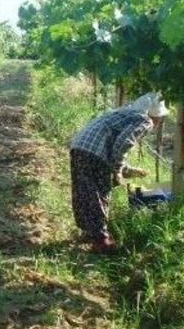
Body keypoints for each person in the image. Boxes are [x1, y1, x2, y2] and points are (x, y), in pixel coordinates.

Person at [69, 93, 168, 253]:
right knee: (99, 193)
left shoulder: (124, 113)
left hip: (80, 146)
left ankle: (90, 232)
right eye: (161, 118)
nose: (159, 123)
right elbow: (123, 144)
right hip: (94, 152)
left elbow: (114, 148)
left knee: (83, 191)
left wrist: (128, 170)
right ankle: (101, 240)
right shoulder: (145, 121)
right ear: (155, 115)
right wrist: (118, 172)